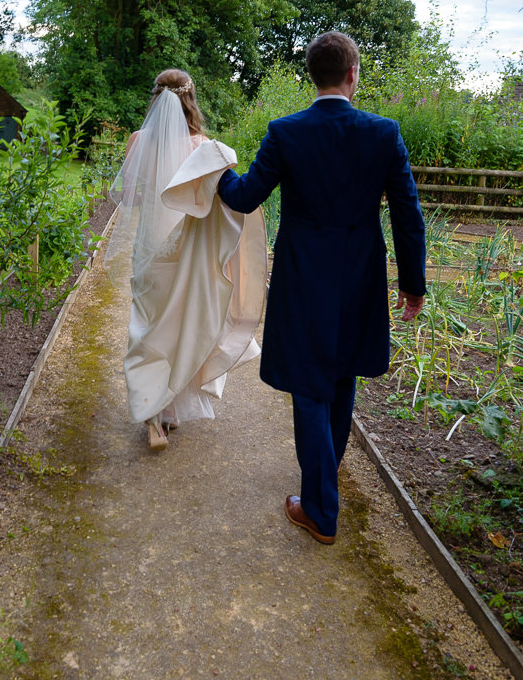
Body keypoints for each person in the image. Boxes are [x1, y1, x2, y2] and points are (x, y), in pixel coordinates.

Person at [215, 31, 426, 545]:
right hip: (361, 277)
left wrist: (214, 169)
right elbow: (408, 212)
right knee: (341, 374)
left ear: (313, 76)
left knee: (311, 385)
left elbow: (243, 197)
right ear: (353, 74)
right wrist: (413, 282)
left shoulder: (286, 132)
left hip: (303, 275)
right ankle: (322, 491)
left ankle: (319, 510)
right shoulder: (384, 133)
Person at [108, 69, 268, 451]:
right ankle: (165, 411)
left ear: (155, 100)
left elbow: (128, 199)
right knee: (179, 327)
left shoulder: (137, 140)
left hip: (149, 247)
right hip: (186, 250)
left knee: (146, 326)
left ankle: (153, 413)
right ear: (190, 99)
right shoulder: (203, 147)